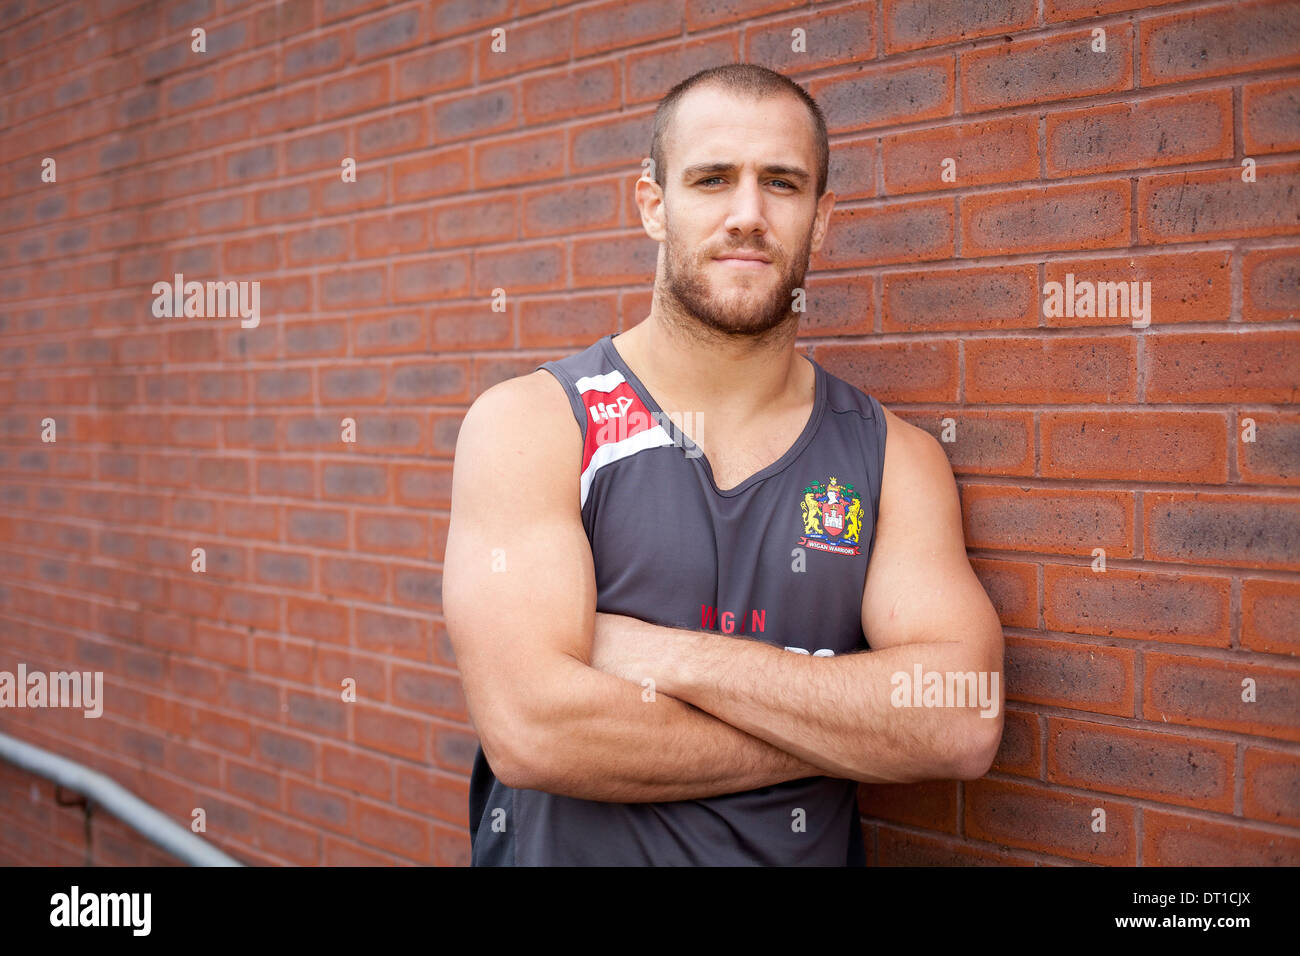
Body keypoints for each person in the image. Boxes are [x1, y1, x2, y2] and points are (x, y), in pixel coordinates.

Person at [442, 64, 1005, 866]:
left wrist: (664, 656)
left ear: (822, 217)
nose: (748, 215)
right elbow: (536, 733)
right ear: (653, 205)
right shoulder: (535, 424)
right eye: (712, 179)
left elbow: (961, 719)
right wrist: (845, 723)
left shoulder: (893, 457)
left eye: (782, 182)